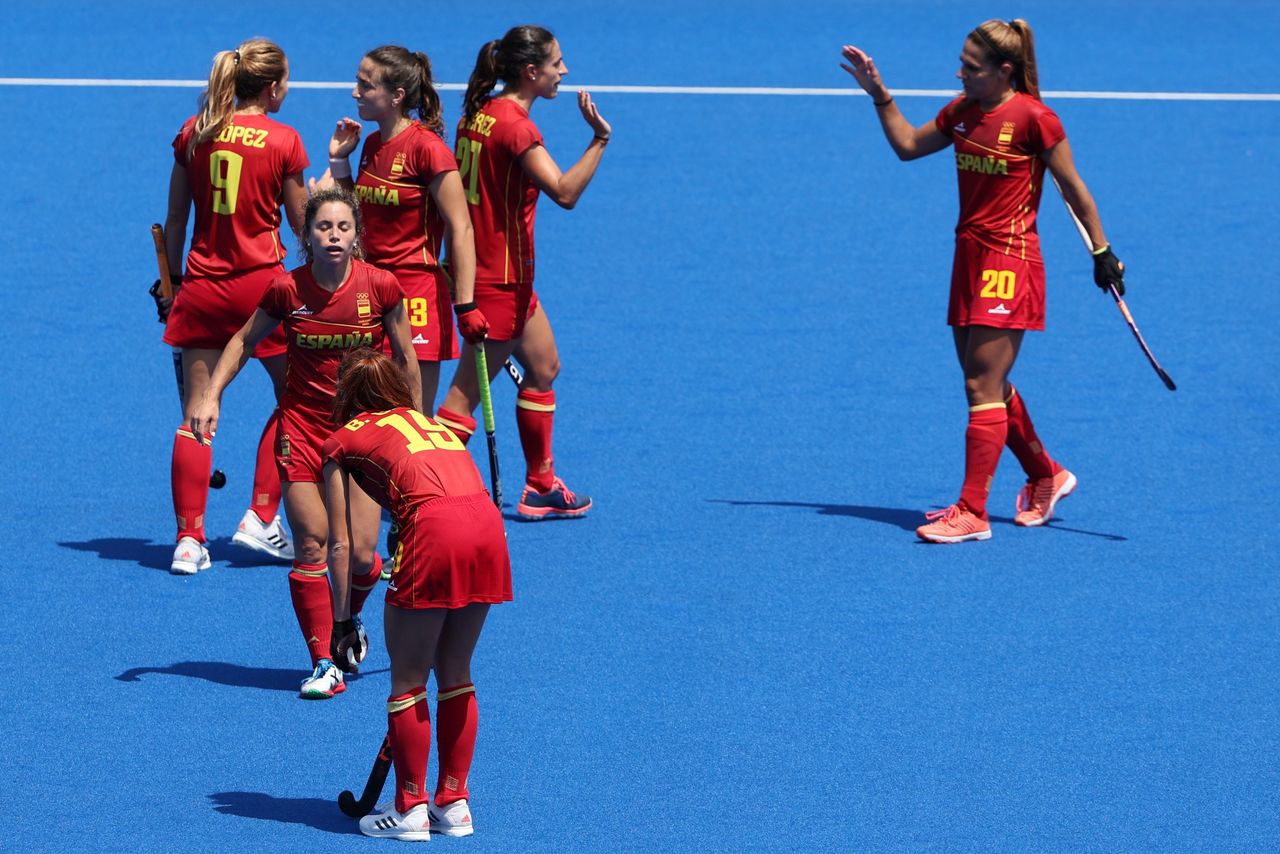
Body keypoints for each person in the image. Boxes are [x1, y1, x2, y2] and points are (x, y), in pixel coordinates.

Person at [839, 20, 1125, 543]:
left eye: (971, 68)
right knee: (988, 385)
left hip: (1010, 264)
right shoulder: (963, 113)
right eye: (962, 63)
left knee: (979, 385)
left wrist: (1103, 251)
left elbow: (1075, 190)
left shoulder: (1036, 120)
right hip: (968, 260)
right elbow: (907, 145)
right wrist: (880, 97)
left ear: (1004, 71)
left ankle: (972, 511)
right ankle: (1048, 475)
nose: (960, 73)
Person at [190, 188, 421, 697]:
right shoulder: (285, 290)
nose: (333, 236)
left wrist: (416, 426)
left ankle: (347, 619)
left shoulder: (381, 287)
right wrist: (211, 395)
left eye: (342, 227)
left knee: (361, 557)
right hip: (302, 428)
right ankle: (324, 662)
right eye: (323, 228)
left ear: (357, 234)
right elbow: (244, 341)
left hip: (363, 433)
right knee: (314, 543)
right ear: (306, 236)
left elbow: (405, 360)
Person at [325, 348, 511, 840]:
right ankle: (454, 802)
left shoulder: (341, 439)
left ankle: (409, 808)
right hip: (488, 527)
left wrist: (342, 621)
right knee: (455, 674)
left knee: (407, 682)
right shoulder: (433, 423)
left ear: (345, 395)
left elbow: (340, 541)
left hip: (433, 531)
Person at [434, 25, 611, 520]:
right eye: (557, 63)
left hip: (502, 277)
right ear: (531, 73)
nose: (565, 71)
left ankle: (538, 484)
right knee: (461, 400)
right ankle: (421, 490)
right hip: (497, 281)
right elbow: (565, 192)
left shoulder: (479, 114)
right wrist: (599, 141)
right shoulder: (516, 126)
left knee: (543, 367)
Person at [158, 37, 307, 574]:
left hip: (200, 286)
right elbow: (301, 223)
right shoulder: (284, 139)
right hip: (261, 291)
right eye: (286, 82)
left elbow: (175, 220)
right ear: (270, 88)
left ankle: (188, 541)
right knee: (295, 397)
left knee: (196, 412)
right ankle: (262, 517)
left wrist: (171, 283)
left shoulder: (195, 133)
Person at [318, 44, 487, 410]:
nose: (355, 92)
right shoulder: (372, 144)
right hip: (369, 291)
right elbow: (357, 215)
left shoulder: (428, 149)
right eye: (357, 82)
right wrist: (338, 161)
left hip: (416, 296)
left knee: (411, 417)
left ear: (396, 96)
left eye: (365, 85)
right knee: (360, 412)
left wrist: (466, 303)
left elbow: (461, 227)